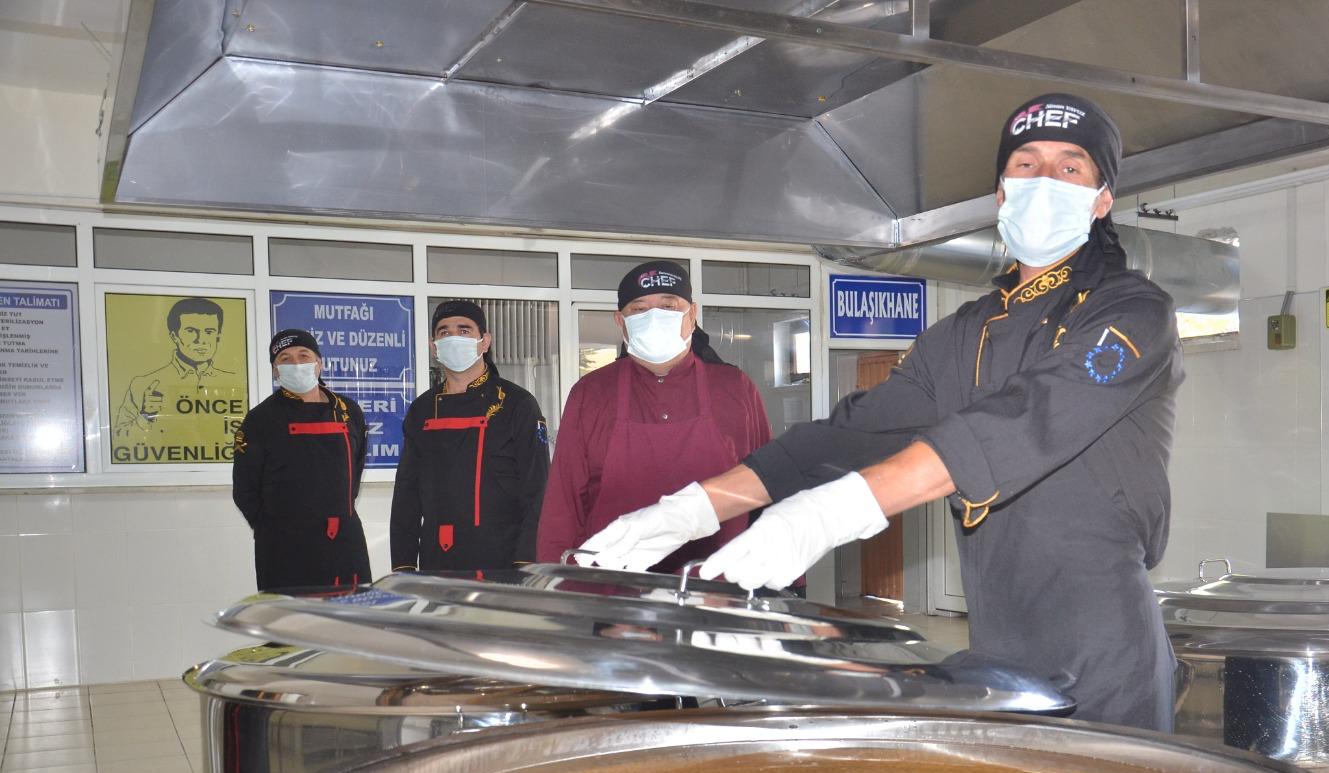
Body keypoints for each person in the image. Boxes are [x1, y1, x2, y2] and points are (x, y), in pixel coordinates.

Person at [581, 92, 1184, 731]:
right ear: (1002, 193)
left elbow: (1022, 420)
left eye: (1070, 168)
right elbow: (845, 437)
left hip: (1105, 649)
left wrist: (827, 514)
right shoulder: (963, 334)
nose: (1044, 181)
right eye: (1026, 165)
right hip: (1000, 640)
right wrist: (693, 509)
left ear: (1101, 199)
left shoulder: (1134, 313)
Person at [536, 261, 771, 569]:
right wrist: (554, 579)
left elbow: (767, 482)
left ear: (693, 314)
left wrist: (787, 581)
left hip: (717, 588)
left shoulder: (734, 387)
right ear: (620, 321)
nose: (654, 317)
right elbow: (563, 500)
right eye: (639, 309)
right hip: (615, 588)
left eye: (668, 306)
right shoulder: (591, 393)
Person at [391, 299, 549, 573]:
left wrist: (526, 565)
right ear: (433, 346)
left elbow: (538, 491)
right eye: (444, 332)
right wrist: (403, 566)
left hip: (504, 565)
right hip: (437, 565)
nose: (453, 338)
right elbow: (407, 494)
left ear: (484, 341)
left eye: (464, 331)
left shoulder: (517, 404)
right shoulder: (421, 410)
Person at [232, 328, 372, 591]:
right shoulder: (260, 420)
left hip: (344, 543)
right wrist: (274, 531)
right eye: (285, 359)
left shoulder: (348, 411)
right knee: (290, 627)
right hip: (285, 550)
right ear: (275, 371)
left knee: (349, 628)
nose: (296, 363)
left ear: (319, 363)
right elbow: (244, 490)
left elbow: (356, 468)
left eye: (303, 355)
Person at [114, 296, 240, 441]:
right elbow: (119, 441)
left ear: (218, 336)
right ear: (174, 336)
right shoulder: (144, 384)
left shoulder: (234, 383)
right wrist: (145, 416)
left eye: (209, 332)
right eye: (191, 331)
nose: (201, 340)